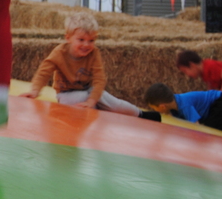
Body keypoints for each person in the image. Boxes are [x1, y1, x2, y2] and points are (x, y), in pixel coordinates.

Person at [22, 11, 161, 121]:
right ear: (68, 38)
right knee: (83, 100)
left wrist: (92, 99)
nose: (86, 45)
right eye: (81, 40)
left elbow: (99, 79)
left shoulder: (94, 53)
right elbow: (44, 72)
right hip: (66, 94)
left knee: (112, 102)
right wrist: (35, 91)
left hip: (89, 91)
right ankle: (95, 109)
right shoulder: (59, 53)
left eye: (91, 40)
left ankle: (141, 114)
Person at [144, 83, 222, 135]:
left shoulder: (184, 105)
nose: (155, 111)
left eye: (154, 108)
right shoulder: (174, 104)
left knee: (208, 129)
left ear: (162, 106)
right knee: (217, 127)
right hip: (217, 105)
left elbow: (196, 128)